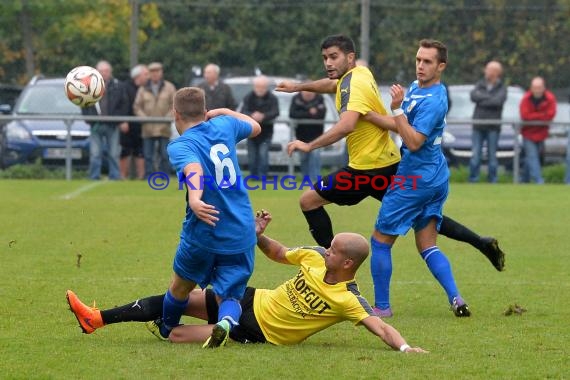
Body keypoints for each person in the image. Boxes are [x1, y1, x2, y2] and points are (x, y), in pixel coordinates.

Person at [276, 35, 505, 285]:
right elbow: (333, 85)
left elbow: (347, 125)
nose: (328, 63)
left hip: (364, 171)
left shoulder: (354, 86)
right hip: (387, 164)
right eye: (325, 58)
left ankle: (332, 267)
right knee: (422, 216)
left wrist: (309, 145)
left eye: (333, 57)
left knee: (308, 200)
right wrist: (300, 87)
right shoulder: (360, 73)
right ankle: (479, 241)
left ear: (349, 57)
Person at [65, 210, 428, 354]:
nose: (325, 248)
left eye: (332, 249)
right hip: (253, 299)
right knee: (180, 295)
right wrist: (258, 235)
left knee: (173, 335)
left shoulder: (348, 298)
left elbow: (380, 328)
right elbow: (278, 252)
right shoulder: (315, 256)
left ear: (348, 262)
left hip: (259, 331)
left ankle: (180, 327)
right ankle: (96, 319)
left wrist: (406, 349)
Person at [369, 39, 470, 318]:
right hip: (435, 176)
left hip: (414, 180)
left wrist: (398, 108)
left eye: (427, 62)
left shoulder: (436, 100)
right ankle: (456, 298)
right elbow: (399, 124)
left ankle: (382, 308)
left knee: (379, 241)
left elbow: (412, 141)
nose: (420, 66)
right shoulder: (415, 89)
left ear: (441, 66)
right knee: (427, 245)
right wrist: (368, 116)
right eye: (418, 60)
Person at [159, 87, 261, 348]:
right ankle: (225, 323)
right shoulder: (225, 125)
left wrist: (195, 198)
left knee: (180, 287)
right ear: (205, 112)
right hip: (240, 231)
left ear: (175, 114)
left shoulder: (180, 145)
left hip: (203, 230)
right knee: (230, 295)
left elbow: (193, 168)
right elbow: (255, 126)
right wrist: (225, 111)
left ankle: (168, 327)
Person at [81, 60, 129, 180]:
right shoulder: (88, 86)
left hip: (112, 125)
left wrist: (119, 119)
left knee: (113, 153)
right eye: (101, 71)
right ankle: (94, 176)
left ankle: (115, 176)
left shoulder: (118, 86)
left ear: (110, 72)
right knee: (95, 153)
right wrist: (88, 118)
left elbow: (124, 104)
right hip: (95, 125)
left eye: (106, 71)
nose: (104, 73)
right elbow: (83, 103)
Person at [133, 62, 176, 178]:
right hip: (148, 128)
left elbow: (175, 105)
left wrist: (167, 118)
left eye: (157, 72)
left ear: (161, 73)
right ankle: (149, 176)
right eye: (152, 72)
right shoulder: (142, 89)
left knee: (164, 154)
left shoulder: (169, 87)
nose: (155, 74)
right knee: (148, 155)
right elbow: (137, 107)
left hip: (164, 127)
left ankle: (164, 175)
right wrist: (145, 118)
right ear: (149, 74)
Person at [469, 61, 507, 183]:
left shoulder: (502, 88)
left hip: (493, 127)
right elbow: (473, 96)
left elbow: (498, 102)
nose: (486, 71)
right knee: (476, 155)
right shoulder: (480, 84)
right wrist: (489, 98)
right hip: (478, 126)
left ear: (496, 73)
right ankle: (473, 179)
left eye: (489, 69)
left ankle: (492, 180)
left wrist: (482, 98)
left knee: (492, 156)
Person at [519, 76, 557, 184]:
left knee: (531, 158)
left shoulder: (550, 98)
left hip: (542, 133)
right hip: (528, 133)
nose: (537, 90)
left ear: (543, 87)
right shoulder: (526, 98)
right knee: (532, 156)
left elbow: (550, 115)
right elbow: (525, 116)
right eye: (535, 87)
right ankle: (539, 181)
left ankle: (523, 180)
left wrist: (535, 116)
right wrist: (541, 116)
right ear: (531, 88)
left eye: (539, 87)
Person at [241, 75, 279, 178]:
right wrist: (252, 115)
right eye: (258, 86)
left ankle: (262, 176)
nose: (260, 89)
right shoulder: (248, 97)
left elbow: (275, 112)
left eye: (262, 87)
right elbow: (243, 111)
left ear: (266, 87)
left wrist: (263, 116)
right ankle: (253, 176)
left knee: (263, 155)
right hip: (251, 133)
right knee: (252, 157)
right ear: (254, 86)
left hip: (266, 133)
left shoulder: (272, 98)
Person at [289, 90, 326, 181]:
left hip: (317, 137)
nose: (308, 95)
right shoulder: (296, 98)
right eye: (306, 93)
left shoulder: (319, 98)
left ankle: (315, 180)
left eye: (310, 93)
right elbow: (293, 114)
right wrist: (309, 113)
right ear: (301, 93)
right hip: (301, 136)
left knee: (315, 158)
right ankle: (306, 179)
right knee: (304, 158)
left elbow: (321, 114)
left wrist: (304, 114)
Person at [120, 64, 149, 179]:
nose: (148, 77)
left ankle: (141, 177)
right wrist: (123, 120)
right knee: (125, 150)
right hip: (127, 124)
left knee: (140, 151)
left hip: (141, 125)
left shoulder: (147, 88)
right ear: (137, 76)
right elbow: (122, 105)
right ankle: (122, 177)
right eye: (145, 74)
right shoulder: (124, 87)